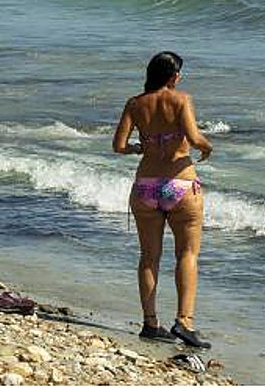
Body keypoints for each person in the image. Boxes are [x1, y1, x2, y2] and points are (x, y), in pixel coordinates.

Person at [112, 52, 213, 348]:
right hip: (180, 184)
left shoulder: (135, 103)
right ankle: (185, 322)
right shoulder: (181, 99)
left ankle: (150, 323)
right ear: (173, 76)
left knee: (149, 257)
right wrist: (208, 148)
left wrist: (138, 149)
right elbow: (193, 137)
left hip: (145, 187)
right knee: (187, 254)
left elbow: (118, 145)